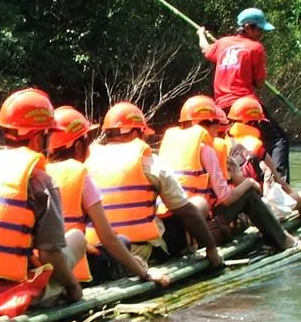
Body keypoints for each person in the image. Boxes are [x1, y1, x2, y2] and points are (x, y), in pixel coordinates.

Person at [0, 89, 84, 310]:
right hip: (8, 295)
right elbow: (49, 252)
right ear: (39, 139)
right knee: (77, 238)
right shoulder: (38, 179)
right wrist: (74, 287)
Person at [85, 101, 225, 270]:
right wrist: (211, 247)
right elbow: (186, 211)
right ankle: (191, 247)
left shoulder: (88, 161)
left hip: (100, 247)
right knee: (198, 206)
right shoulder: (148, 162)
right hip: (143, 248)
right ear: (135, 133)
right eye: (143, 134)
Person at [158, 95, 301, 253]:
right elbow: (226, 198)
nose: (218, 130)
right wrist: (248, 183)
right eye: (216, 124)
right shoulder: (206, 150)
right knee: (249, 193)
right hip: (194, 228)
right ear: (209, 124)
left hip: (170, 227)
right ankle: (283, 240)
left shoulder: (169, 144)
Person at [45, 106, 169, 287]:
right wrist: (144, 273)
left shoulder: (40, 174)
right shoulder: (80, 174)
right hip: (72, 269)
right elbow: (108, 239)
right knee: (121, 242)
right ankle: (120, 269)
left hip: (43, 264)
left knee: (117, 242)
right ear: (79, 146)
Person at [197, 7, 291, 180]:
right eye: (259, 29)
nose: (262, 33)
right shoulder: (256, 48)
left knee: (235, 144)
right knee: (278, 139)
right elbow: (260, 83)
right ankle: (280, 182)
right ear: (248, 27)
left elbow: (205, 50)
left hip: (222, 106)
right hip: (245, 105)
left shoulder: (223, 43)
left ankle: (245, 179)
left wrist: (201, 33)